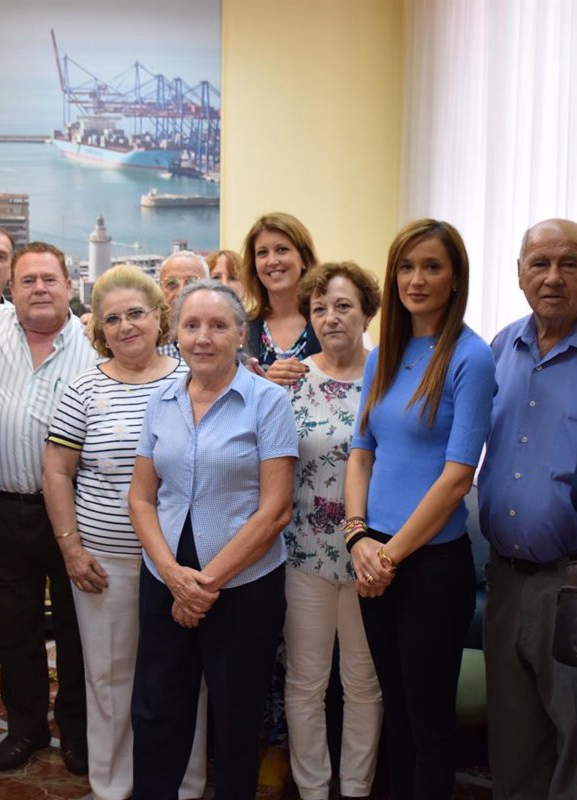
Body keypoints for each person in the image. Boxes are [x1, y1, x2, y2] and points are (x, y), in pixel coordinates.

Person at [477, 219, 577, 800]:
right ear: (519, 273)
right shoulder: (500, 348)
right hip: (503, 577)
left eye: (569, 264)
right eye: (539, 264)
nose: (553, 277)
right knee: (513, 743)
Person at [344, 218, 496, 799]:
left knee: (430, 721)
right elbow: (361, 453)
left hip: (430, 564)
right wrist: (358, 537)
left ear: (455, 278)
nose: (417, 279)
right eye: (406, 267)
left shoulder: (470, 357)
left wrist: (389, 556)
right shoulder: (384, 354)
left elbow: (457, 479)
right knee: (396, 710)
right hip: (373, 555)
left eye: (432, 266)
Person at [129, 279, 298, 798]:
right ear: (176, 334)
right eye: (192, 325)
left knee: (236, 718)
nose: (203, 337)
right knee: (156, 710)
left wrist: (204, 585)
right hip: (165, 576)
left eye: (218, 325)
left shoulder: (268, 402)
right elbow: (141, 498)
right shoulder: (160, 401)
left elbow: (275, 510)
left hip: (243, 584)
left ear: (240, 334)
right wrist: (174, 577)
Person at [44, 266, 206, 800]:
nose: (125, 326)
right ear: (99, 329)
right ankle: (113, 785)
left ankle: (184, 784)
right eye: (111, 319)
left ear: (160, 316)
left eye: (135, 313)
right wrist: (71, 548)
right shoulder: (83, 387)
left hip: (181, 562)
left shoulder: (192, 378)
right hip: (105, 562)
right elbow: (56, 470)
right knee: (109, 678)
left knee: (182, 677)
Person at [0, 242, 96, 774]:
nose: (39, 289)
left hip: (76, 514)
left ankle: (78, 731)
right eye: (27, 281)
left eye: (49, 279)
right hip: (4, 509)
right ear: (10, 290)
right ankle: (26, 728)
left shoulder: (95, 341)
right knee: (14, 628)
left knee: (77, 628)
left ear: (69, 286)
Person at [283, 262, 383, 800]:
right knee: (306, 682)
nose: (330, 317)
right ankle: (313, 789)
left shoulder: (389, 377)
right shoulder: (291, 380)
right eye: (319, 309)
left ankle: (357, 788)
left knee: (363, 683)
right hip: (305, 554)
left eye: (343, 306)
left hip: (371, 557)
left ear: (367, 312)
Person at [241, 213, 322, 387]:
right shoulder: (241, 329)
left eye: (282, 250)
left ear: (304, 259)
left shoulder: (327, 321)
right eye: (262, 253)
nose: (272, 261)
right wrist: (263, 385)